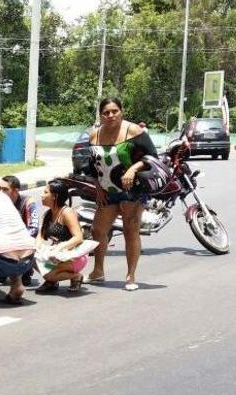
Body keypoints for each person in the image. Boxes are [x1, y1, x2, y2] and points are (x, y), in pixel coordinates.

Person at [86, 98, 158, 291]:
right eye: (106, 113)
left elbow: (152, 157)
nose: (110, 116)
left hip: (131, 190)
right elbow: (92, 166)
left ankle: (130, 276)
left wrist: (133, 169)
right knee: (98, 230)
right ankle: (98, 271)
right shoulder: (95, 136)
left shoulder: (133, 131)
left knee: (130, 230)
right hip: (108, 192)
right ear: (100, 115)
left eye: (114, 111)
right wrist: (98, 188)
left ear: (121, 111)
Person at [35, 180, 86, 292]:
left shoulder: (67, 212)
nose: (42, 195)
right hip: (56, 257)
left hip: (73, 257)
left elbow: (78, 237)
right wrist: (37, 250)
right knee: (32, 260)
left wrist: (60, 247)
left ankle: (75, 276)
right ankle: (52, 279)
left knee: (48, 273)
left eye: (45, 192)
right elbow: (40, 237)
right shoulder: (48, 214)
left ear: (55, 196)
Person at [0, 175, 39, 286]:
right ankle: (3, 270)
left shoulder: (28, 202)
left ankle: (26, 271)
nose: (0, 192)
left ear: (15, 191)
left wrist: (16, 239)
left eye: (5, 189)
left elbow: (34, 228)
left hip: (24, 240)